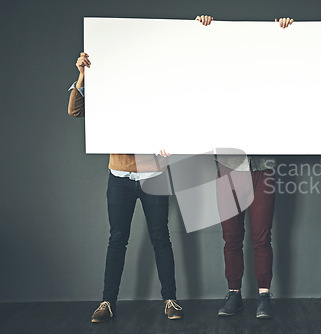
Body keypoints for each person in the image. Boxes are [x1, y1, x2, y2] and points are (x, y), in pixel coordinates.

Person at [67, 15, 214, 322]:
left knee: (161, 237)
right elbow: (75, 110)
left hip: (153, 174)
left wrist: (201, 30)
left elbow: (189, 103)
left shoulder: (160, 82)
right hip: (119, 175)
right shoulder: (110, 81)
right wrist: (82, 76)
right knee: (117, 238)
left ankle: (170, 299)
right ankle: (107, 302)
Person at [215, 16, 294, 320]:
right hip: (228, 164)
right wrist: (203, 30)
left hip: (263, 165)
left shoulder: (270, 78)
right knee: (231, 236)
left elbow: (289, 70)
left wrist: (283, 34)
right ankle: (234, 294)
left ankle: (264, 297)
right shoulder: (220, 80)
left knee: (262, 236)